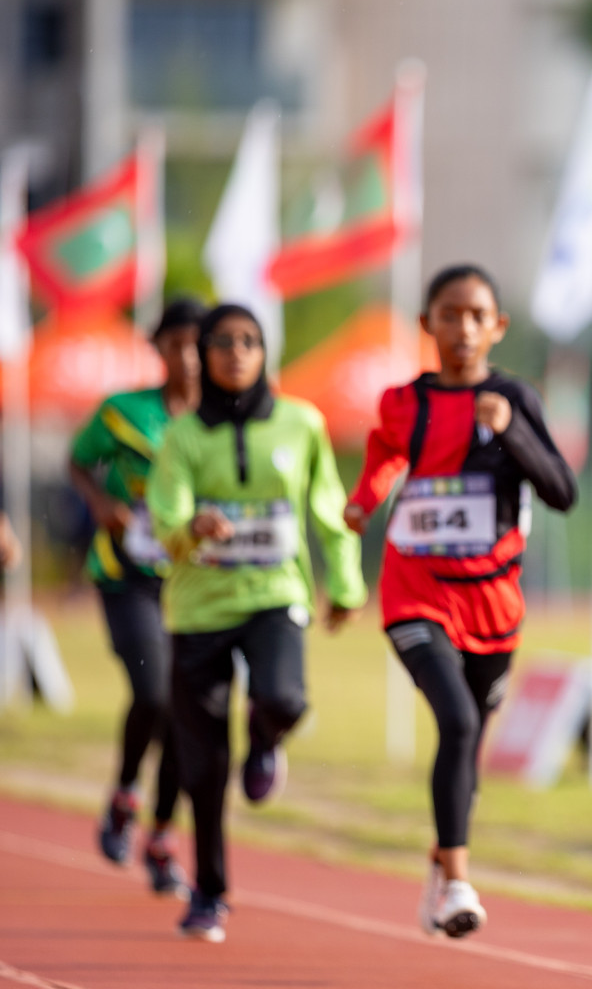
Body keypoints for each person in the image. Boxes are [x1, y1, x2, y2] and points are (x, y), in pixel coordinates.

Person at [345, 264, 576, 939]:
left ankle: (443, 856)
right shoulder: (402, 403)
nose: (464, 327)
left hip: (493, 604)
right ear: (428, 324)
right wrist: (362, 503)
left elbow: (562, 491)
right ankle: (457, 883)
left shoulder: (514, 397)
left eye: (478, 315)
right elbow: (385, 459)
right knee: (458, 723)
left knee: (468, 739)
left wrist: (509, 431)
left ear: (497, 328)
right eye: (450, 314)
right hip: (414, 590)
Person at [147, 304, 366, 942]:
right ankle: (210, 892)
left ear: (265, 351)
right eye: (222, 343)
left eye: (249, 341)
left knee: (285, 698)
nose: (236, 353)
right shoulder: (182, 438)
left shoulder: (302, 424)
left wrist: (347, 583)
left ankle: (266, 737)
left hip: (276, 593)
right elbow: (166, 517)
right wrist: (192, 527)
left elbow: (329, 508)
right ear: (203, 355)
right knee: (204, 762)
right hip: (199, 607)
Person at [70, 296, 206, 896]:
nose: (188, 357)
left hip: (195, 582)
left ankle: (162, 836)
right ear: (158, 350)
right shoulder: (123, 413)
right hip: (126, 575)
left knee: (186, 709)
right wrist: (102, 504)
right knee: (153, 691)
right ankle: (126, 792)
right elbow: (78, 463)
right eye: (175, 344)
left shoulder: (221, 427)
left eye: (197, 344)